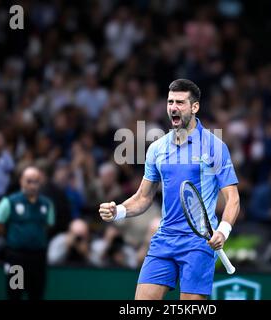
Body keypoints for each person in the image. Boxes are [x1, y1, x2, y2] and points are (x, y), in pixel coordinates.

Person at [99, 79, 240, 300]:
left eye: (181, 103)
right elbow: (143, 197)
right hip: (164, 239)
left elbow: (233, 199)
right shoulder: (157, 148)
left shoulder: (215, 146)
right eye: (170, 102)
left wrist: (223, 231)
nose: (173, 107)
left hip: (199, 243)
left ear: (195, 107)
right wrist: (118, 211)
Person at [0, 166, 55, 300]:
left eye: (36, 181)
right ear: (21, 181)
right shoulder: (10, 202)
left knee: (36, 294)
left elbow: (48, 225)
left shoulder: (46, 204)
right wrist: (11, 235)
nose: (32, 185)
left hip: (38, 258)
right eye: (29, 181)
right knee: (15, 294)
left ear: (40, 182)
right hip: (17, 257)